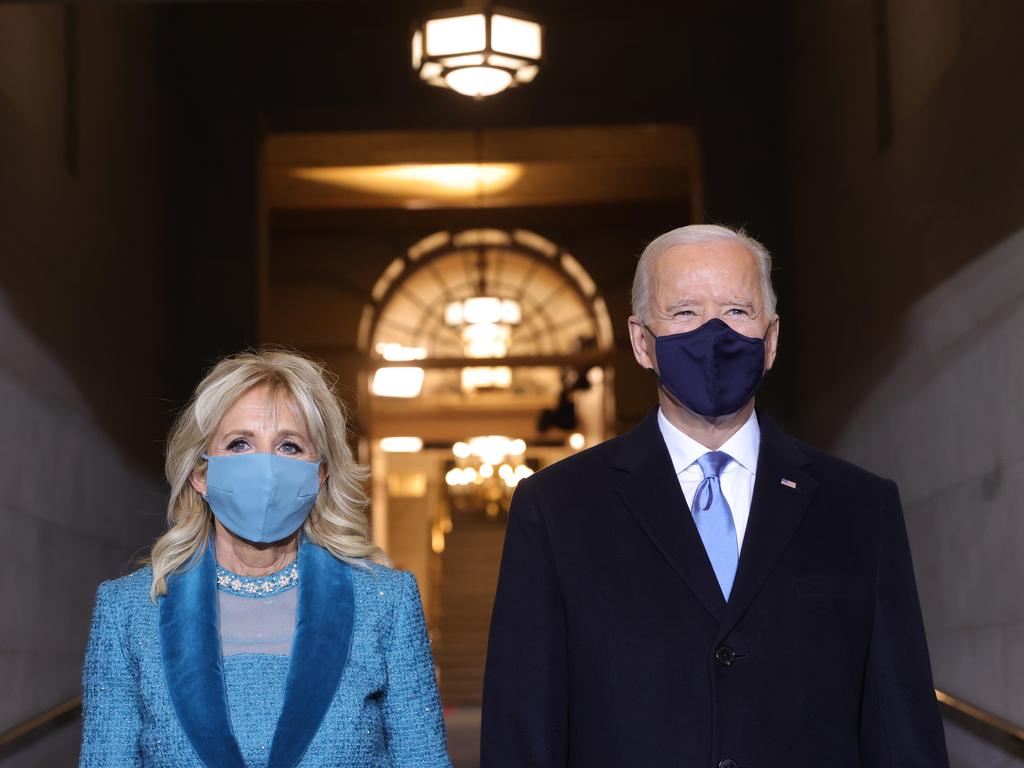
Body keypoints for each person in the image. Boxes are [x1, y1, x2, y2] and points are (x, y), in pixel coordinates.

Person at [481, 225, 949, 767]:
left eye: (737, 311)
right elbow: (522, 729)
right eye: (684, 312)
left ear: (770, 339)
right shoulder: (556, 508)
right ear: (641, 341)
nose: (714, 334)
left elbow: (902, 724)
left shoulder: (861, 508)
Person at [80, 350, 451, 768]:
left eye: (289, 446)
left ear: (320, 474)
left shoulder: (386, 602)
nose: (267, 468)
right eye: (239, 443)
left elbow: (424, 759)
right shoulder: (128, 612)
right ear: (200, 473)